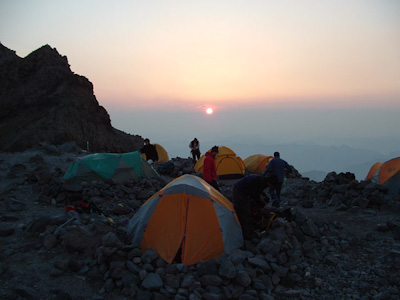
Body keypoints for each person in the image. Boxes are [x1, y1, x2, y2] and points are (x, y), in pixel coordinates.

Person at [232, 174, 278, 240]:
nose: (271, 187)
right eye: (272, 185)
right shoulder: (261, 182)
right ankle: (246, 235)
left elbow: (258, 192)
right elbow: (255, 194)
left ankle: (249, 228)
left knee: (249, 208)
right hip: (239, 190)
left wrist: (262, 197)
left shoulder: (263, 181)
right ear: (270, 183)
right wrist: (263, 205)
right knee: (244, 212)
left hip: (245, 191)